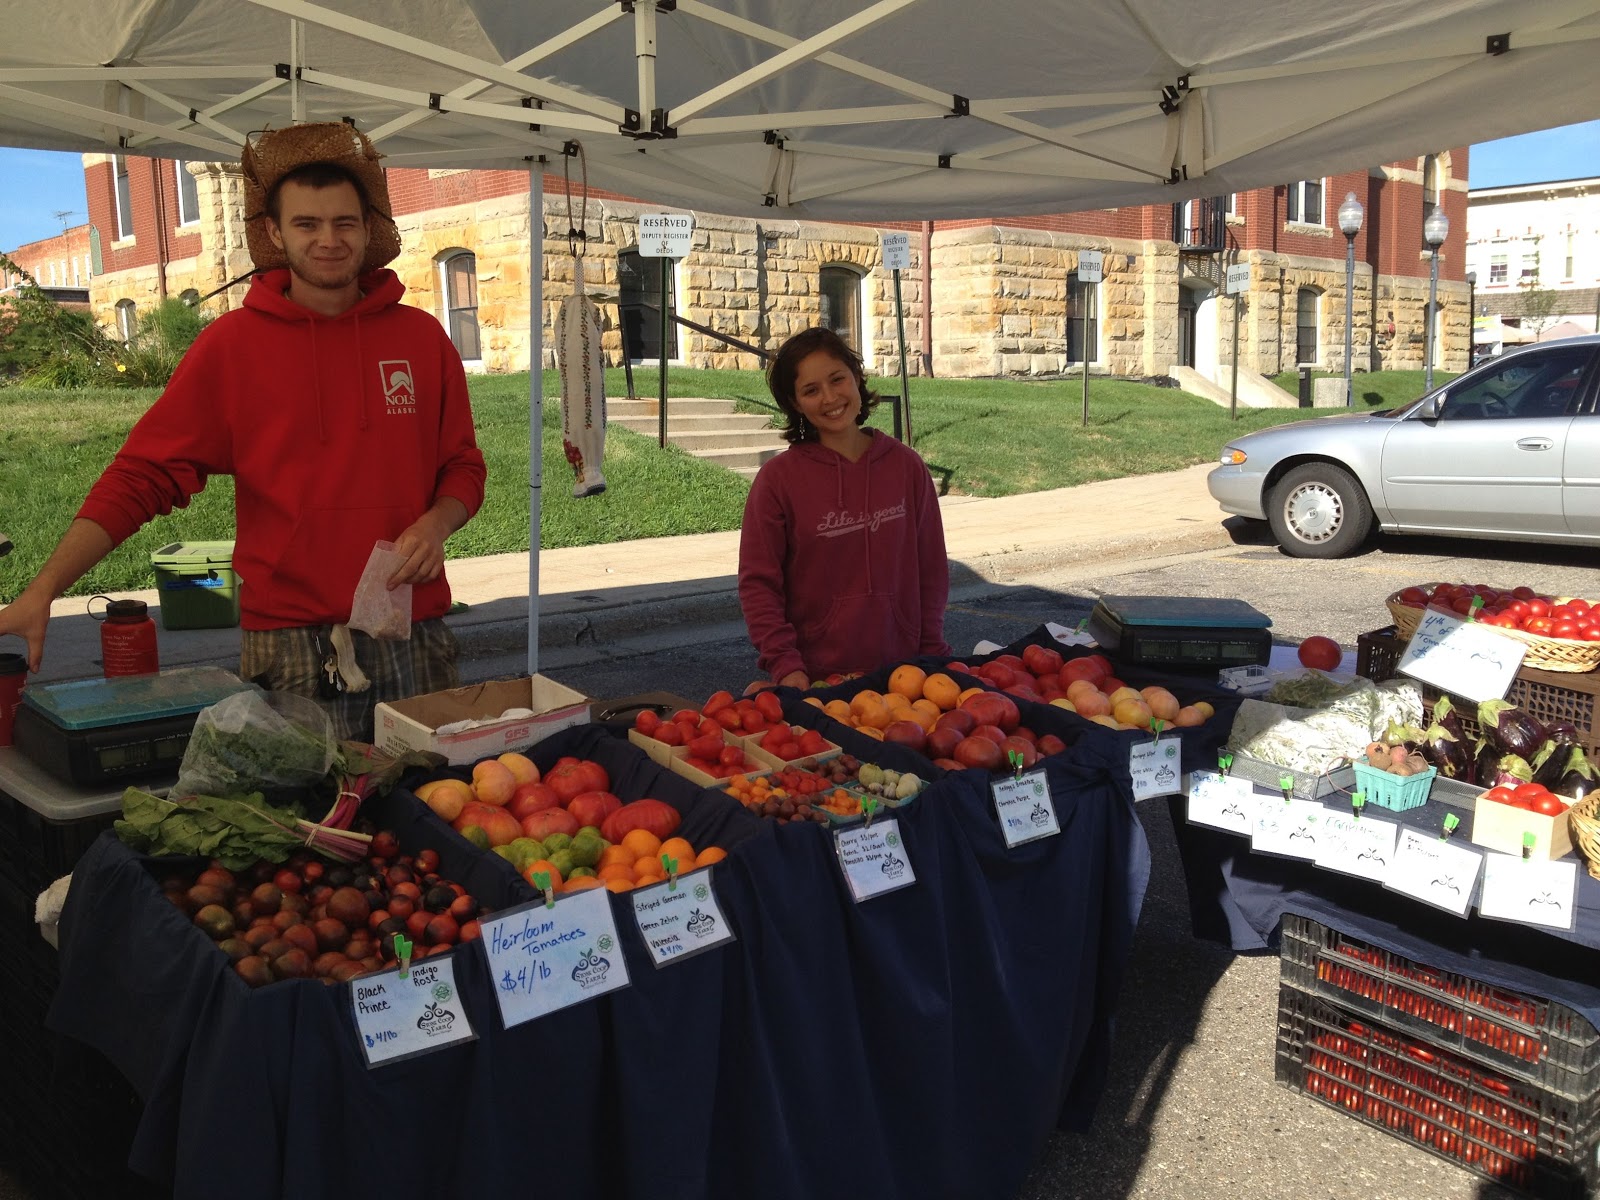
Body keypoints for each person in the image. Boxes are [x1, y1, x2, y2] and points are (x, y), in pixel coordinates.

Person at [0, 122, 486, 740]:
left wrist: (435, 523)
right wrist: (44, 588)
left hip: (414, 631)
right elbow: (143, 476)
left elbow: (463, 466)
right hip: (287, 647)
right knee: (301, 826)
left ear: (369, 229)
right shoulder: (232, 348)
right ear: (275, 233)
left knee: (428, 813)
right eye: (307, 224)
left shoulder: (422, 340)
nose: (328, 240)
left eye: (344, 223)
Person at [738, 327, 950, 688]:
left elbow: (931, 568)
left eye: (838, 379)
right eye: (810, 390)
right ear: (794, 403)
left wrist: (930, 652)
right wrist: (785, 665)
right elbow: (759, 584)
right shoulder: (777, 480)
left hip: (907, 676)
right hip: (817, 681)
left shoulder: (906, 466)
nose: (829, 397)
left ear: (857, 377)